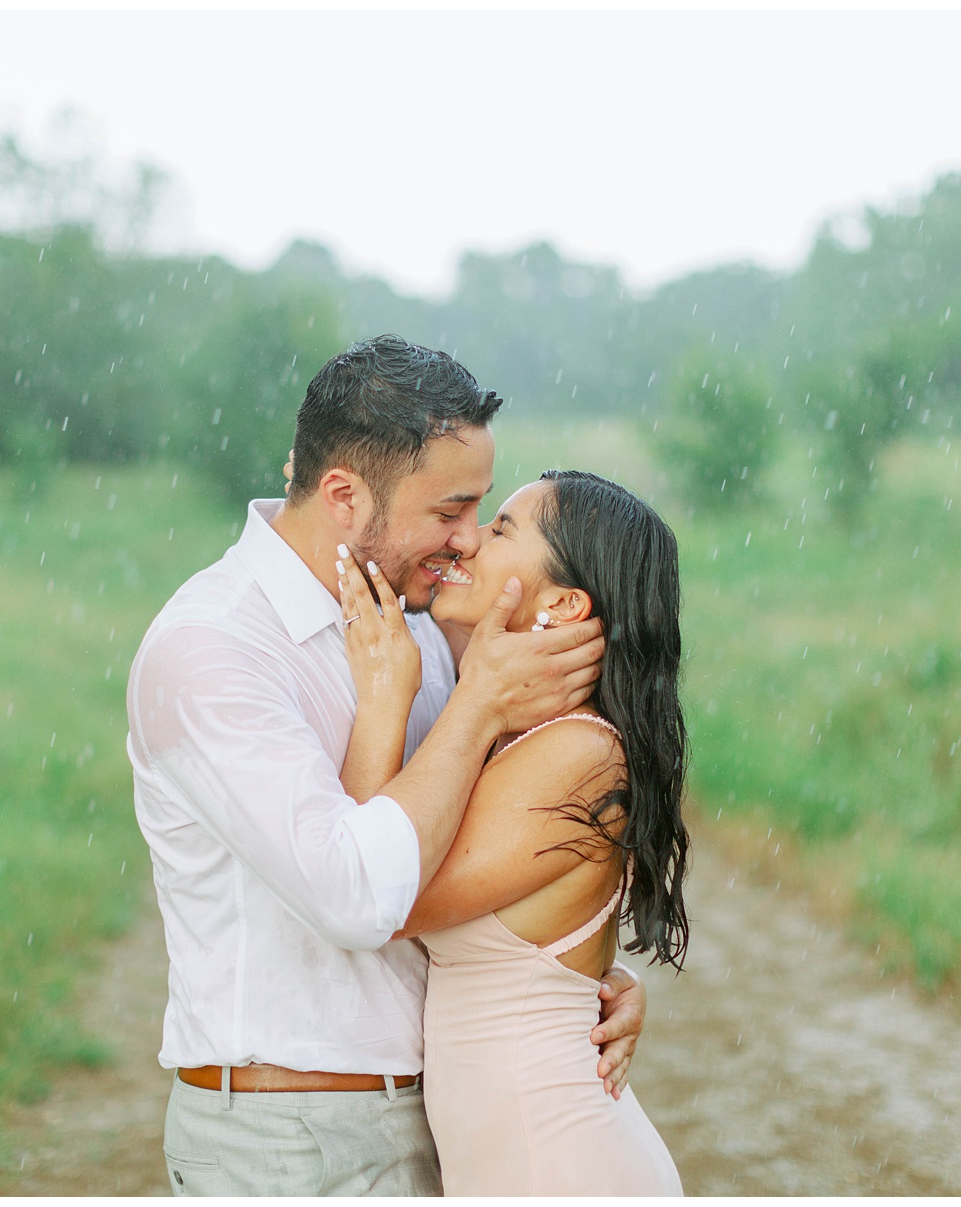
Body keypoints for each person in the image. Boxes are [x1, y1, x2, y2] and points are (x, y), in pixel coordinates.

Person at [125, 336, 649, 1196]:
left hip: (443, 1121)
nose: (467, 540)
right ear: (343, 496)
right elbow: (356, 893)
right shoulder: (211, 650)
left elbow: (469, 854)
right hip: (293, 1139)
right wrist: (476, 704)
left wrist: (582, 980)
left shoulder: (417, 626)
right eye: (451, 509)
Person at [334, 469, 688, 1195]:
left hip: (557, 1163)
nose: (468, 541)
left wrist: (382, 699)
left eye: (500, 530)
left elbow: (376, 892)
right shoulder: (525, 740)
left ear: (563, 603)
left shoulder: (578, 752)